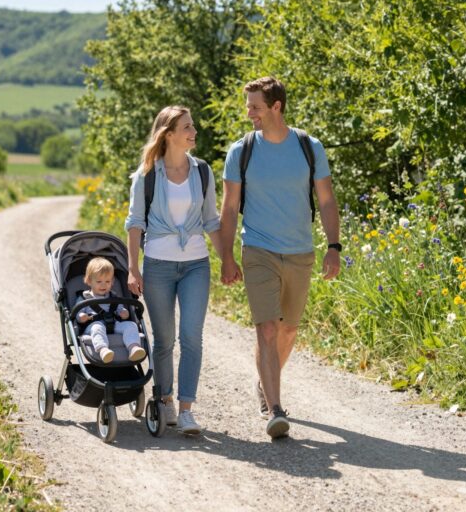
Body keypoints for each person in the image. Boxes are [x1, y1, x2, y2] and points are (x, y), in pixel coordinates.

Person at [220, 76, 341, 439]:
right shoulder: (241, 151)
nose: (249, 114)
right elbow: (229, 208)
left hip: (300, 251)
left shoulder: (308, 147)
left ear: (277, 107)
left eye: (255, 107)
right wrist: (226, 256)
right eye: (248, 106)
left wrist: (333, 246)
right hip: (258, 249)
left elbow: (326, 200)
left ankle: (265, 381)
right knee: (268, 327)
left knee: (288, 329)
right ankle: (274, 408)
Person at [125, 105, 223, 435]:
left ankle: (186, 410)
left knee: (192, 336)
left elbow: (211, 221)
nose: (194, 131)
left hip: (196, 264)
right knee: (164, 338)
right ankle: (164, 399)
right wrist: (133, 269)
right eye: (187, 127)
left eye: (192, 126)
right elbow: (135, 223)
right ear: (168, 134)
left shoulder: (202, 171)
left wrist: (227, 259)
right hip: (158, 265)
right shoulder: (147, 175)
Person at [76, 257, 147, 364]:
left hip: (114, 324)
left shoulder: (113, 296)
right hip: (93, 325)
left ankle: (133, 348)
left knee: (131, 325)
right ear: (89, 281)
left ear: (112, 281)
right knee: (97, 328)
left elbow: (120, 309)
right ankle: (103, 350)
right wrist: (81, 317)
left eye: (107, 281)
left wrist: (124, 313)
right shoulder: (84, 297)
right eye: (99, 281)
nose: (103, 285)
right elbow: (78, 313)